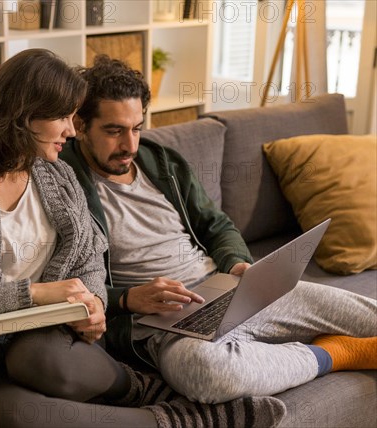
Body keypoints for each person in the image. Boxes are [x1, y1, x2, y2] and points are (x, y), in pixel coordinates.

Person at [0, 49, 287, 428]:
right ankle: (178, 413)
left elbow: (90, 258)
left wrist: (95, 305)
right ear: (23, 116)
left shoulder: (58, 176)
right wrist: (34, 294)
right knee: (12, 413)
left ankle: (149, 397)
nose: (71, 130)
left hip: (63, 338)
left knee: (36, 357)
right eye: (63, 117)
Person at [60, 54, 377, 404]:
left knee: (366, 314)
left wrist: (237, 263)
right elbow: (67, 284)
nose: (129, 145)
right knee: (207, 374)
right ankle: (335, 354)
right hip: (163, 323)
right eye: (113, 131)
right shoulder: (63, 182)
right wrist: (127, 298)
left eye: (136, 128)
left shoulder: (159, 161)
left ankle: (259, 346)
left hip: (225, 289)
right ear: (80, 124)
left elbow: (217, 225)